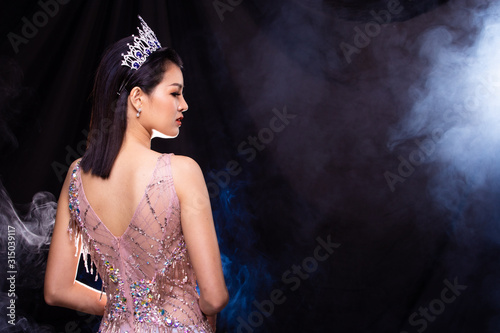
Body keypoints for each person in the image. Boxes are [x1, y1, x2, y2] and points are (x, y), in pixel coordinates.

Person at [44, 16, 229, 332]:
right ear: (138, 98)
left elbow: (57, 290)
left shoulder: (76, 176)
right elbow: (213, 297)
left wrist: (127, 308)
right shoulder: (182, 172)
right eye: (174, 93)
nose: (184, 105)